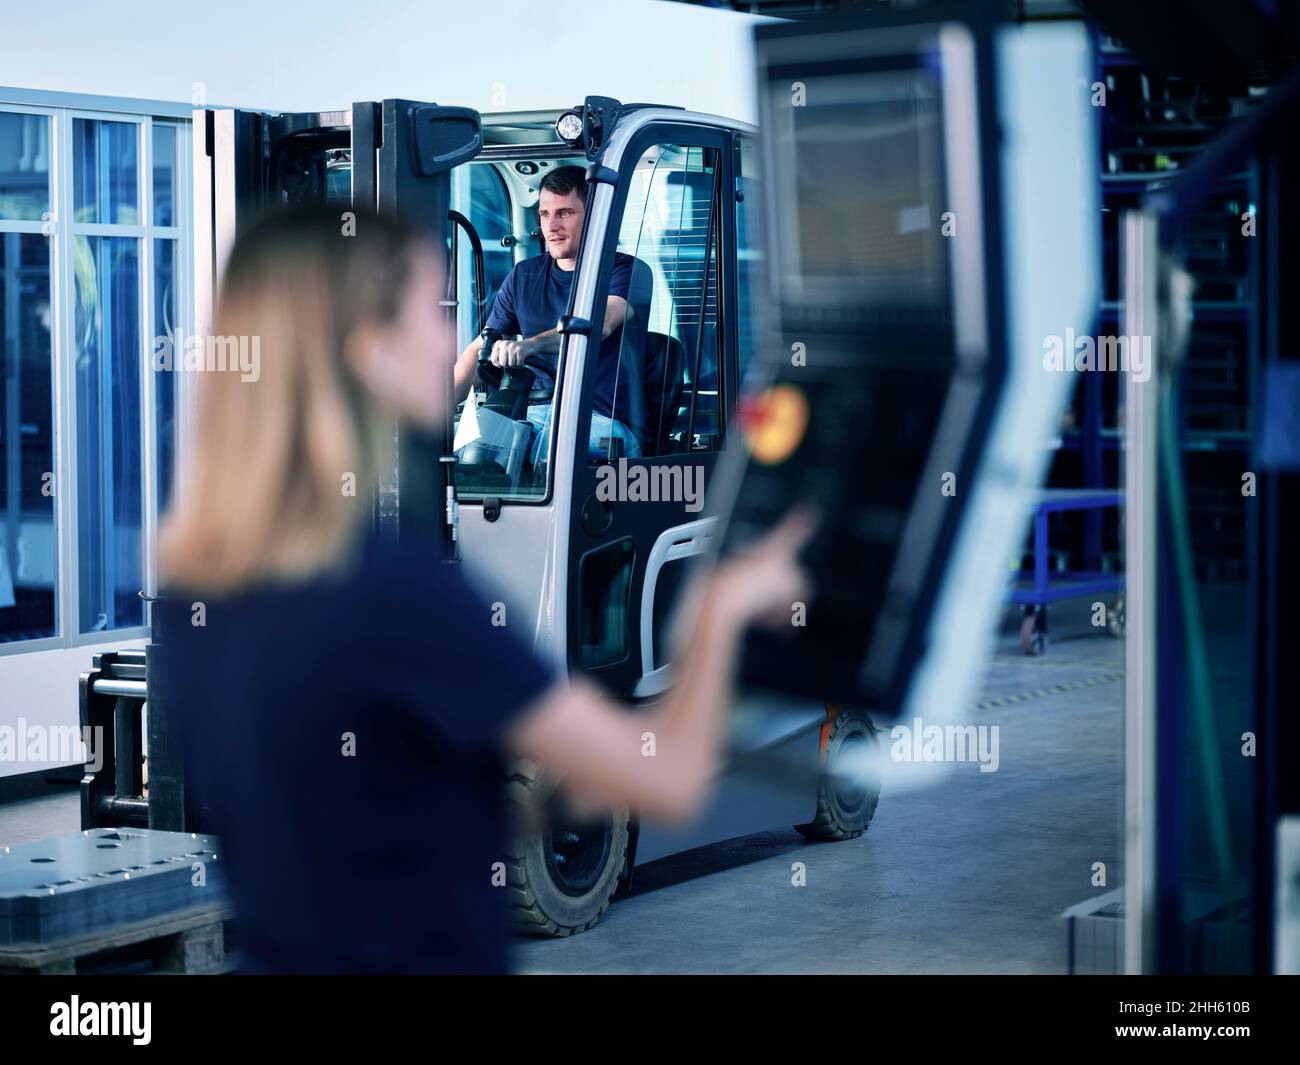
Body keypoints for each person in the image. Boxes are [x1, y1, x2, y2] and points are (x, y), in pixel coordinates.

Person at [155, 206, 812, 974]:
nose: (446, 343)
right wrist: (719, 608)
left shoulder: (196, 593)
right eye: (427, 315)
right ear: (367, 351)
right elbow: (665, 777)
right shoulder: (393, 592)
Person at [452, 164, 650, 463]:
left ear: (595, 216)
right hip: (531, 413)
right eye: (545, 214)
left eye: (565, 213)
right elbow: (481, 346)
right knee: (462, 450)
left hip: (603, 419)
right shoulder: (524, 275)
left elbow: (598, 325)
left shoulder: (626, 271)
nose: (551, 226)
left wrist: (529, 345)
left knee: (546, 455)